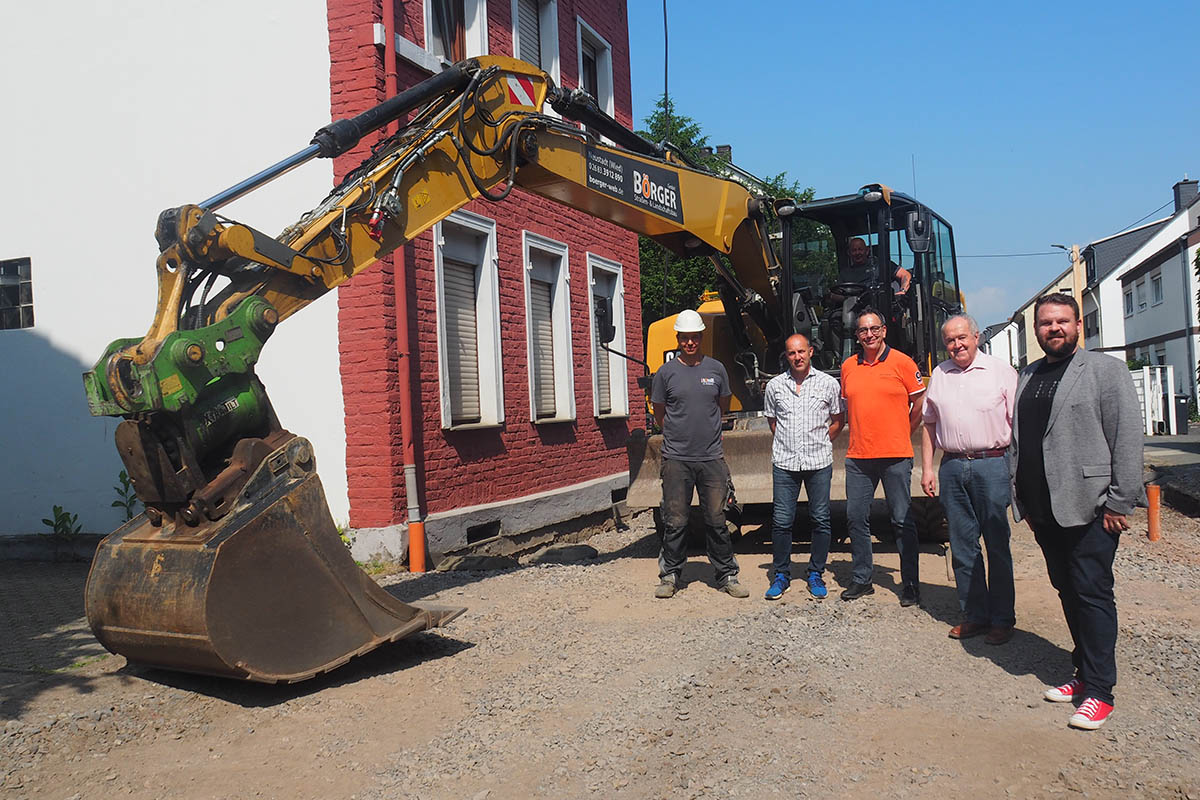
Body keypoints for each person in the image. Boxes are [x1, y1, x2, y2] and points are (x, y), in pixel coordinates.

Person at [1010, 293, 1144, 731]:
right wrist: (1023, 501)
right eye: (1046, 323)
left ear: (1078, 324)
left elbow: (1126, 439)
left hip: (1091, 507)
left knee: (1092, 594)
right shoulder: (1028, 375)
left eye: (1062, 322)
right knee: (1067, 590)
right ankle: (1083, 673)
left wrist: (1120, 501)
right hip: (1045, 510)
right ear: (1036, 330)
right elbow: (1022, 440)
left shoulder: (1105, 371)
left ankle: (1101, 692)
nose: (1054, 329)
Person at [920, 315, 1019, 645]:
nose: (956, 345)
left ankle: (1002, 619)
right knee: (962, 546)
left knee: (996, 543)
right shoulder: (940, 374)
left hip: (991, 465)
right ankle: (975, 615)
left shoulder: (1000, 372)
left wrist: (1019, 472)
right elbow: (929, 424)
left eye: (962, 338)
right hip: (951, 467)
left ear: (976, 337)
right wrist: (928, 468)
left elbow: (1017, 427)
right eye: (950, 340)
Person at [650, 309, 748, 599]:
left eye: (695, 338)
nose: (690, 343)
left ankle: (726, 575)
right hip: (677, 459)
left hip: (711, 458)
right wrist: (680, 435)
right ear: (678, 339)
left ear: (701, 338)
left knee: (717, 519)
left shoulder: (716, 369)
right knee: (675, 520)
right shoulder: (666, 373)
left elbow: (722, 406)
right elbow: (659, 414)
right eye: (685, 338)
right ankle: (670, 575)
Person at [839, 309, 926, 603]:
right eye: (863, 330)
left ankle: (910, 584)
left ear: (884, 330)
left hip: (896, 456)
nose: (869, 334)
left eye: (874, 328)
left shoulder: (902, 362)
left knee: (902, 520)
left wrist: (904, 431)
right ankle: (862, 578)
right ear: (857, 335)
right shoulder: (849, 366)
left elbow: (920, 403)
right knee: (855, 520)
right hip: (859, 458)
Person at [763, 333, 846, 600]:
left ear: (810, 352)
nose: (797, 357)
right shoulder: (775, 386)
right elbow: (773, 422)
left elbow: (837, 419)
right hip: (785, 463)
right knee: (781, 521)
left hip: (818, 462)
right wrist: (790, 443)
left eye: (801, 352)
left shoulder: (828, 384)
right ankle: (781, 575)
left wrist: (820, 441)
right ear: (786, 356)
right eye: (791, 353)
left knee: (820, 520)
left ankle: (815, 573)